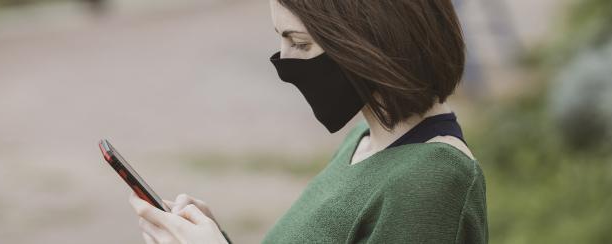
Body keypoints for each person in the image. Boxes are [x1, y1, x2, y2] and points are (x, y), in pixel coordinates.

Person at [128, 0, 488, 243]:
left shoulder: (433, 179)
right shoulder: (363, 141)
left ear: (368, 40)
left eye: (299, 43)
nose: (284, 63)